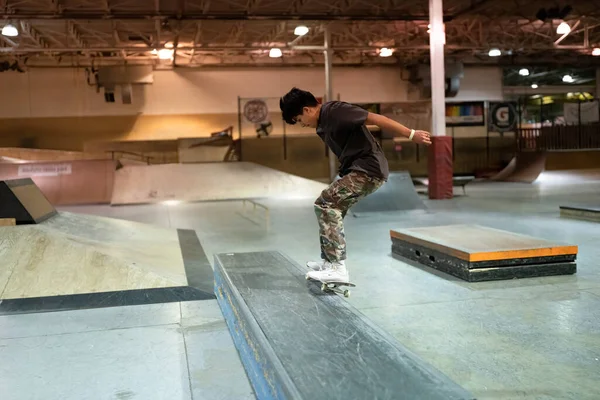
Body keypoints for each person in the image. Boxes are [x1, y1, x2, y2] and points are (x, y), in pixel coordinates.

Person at [279, 87, 432, 283]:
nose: (301, 125)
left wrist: (410, 134)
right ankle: (329, 261)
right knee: (331, 207)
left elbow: (376, 118)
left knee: (326, 203)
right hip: (358, 170)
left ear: (307, 110)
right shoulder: (321, 125)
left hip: (369, 169)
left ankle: (337, 268)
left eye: (300, 120)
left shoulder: (335, 111)